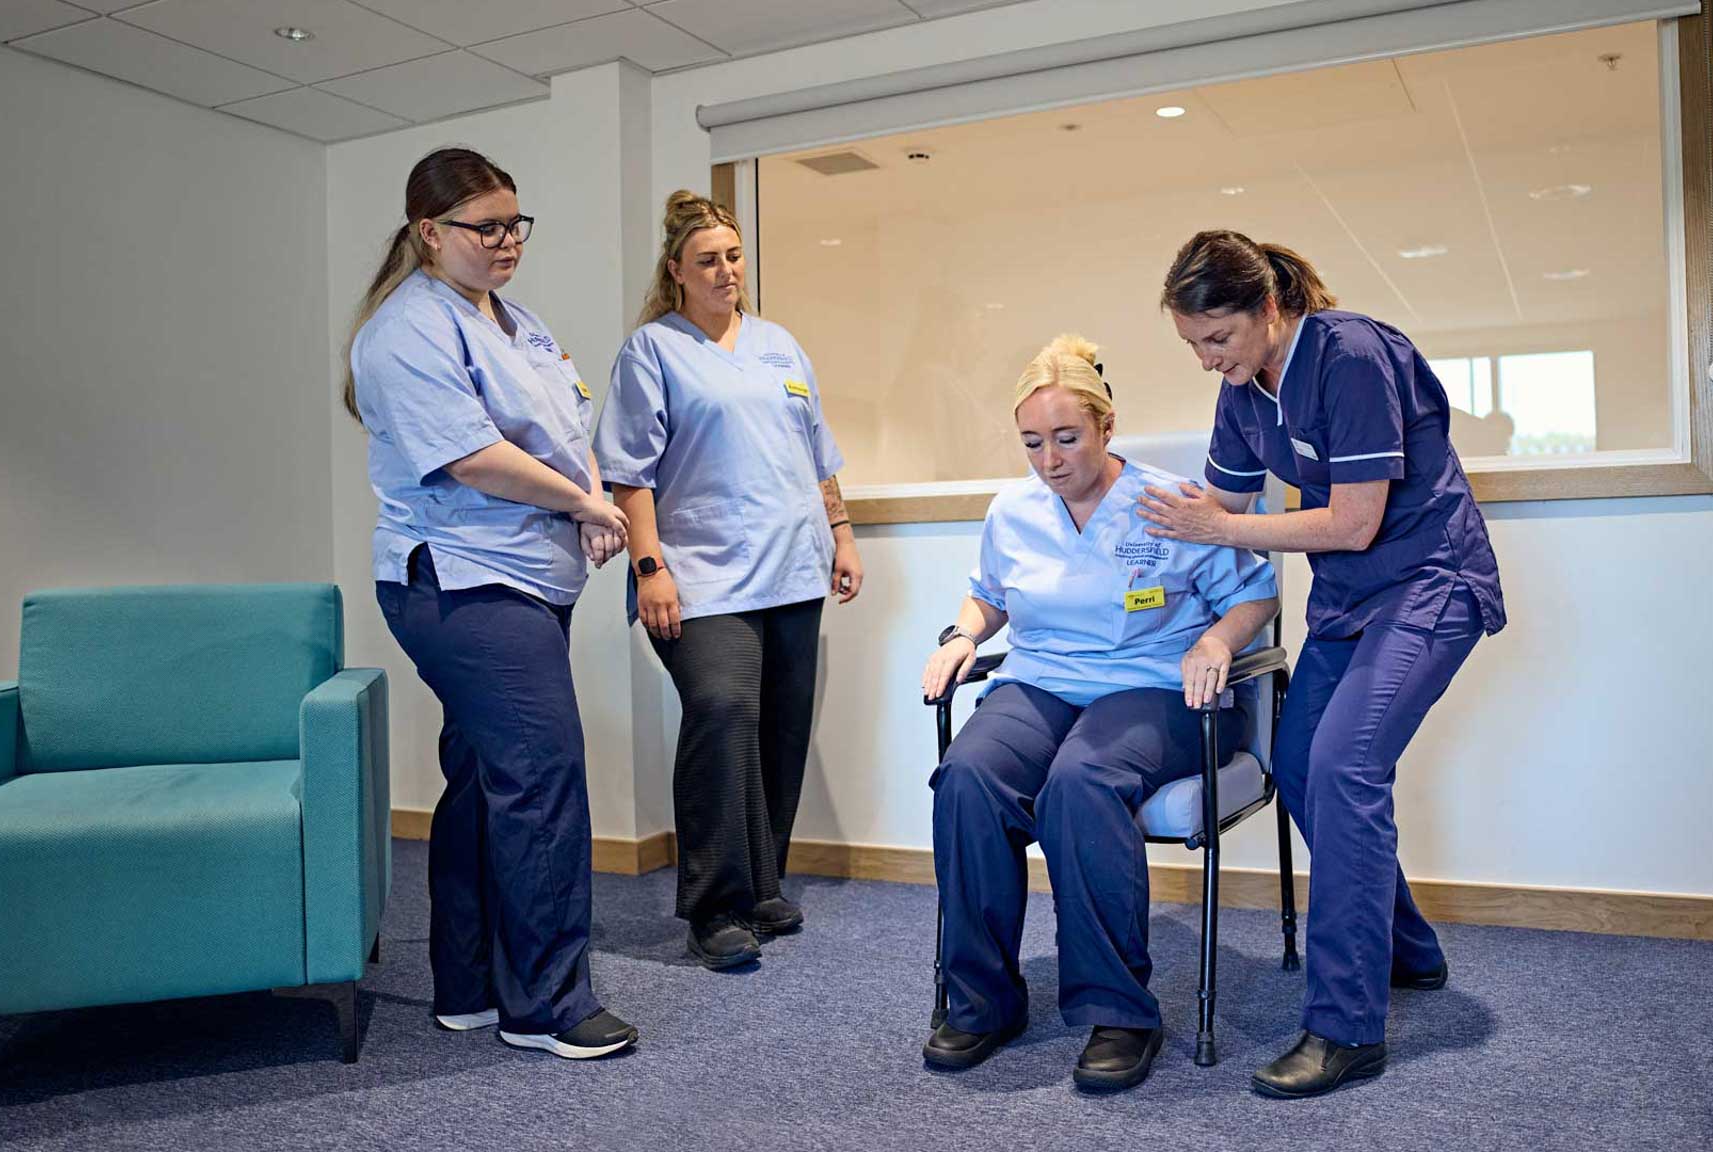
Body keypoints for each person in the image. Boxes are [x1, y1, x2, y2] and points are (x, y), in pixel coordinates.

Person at [1141, 230, 1506, 1098]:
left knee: (1345, 766)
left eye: (1218, 338)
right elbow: (1217, 506)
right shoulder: (1246, 386)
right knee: (1299, 766)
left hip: (1427, 582)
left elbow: (1351, 523)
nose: (1206, 361)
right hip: (1348, 602)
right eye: (1192, 346)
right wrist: (1120, 533)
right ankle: (1405, 950)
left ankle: (1345, 1028)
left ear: (1269, 308)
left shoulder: (1350, 353)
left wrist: (1219, 528)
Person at [920, 335, 1278, 1092]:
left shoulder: (1167, 501)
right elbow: (989, 594)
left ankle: (1121, 1011)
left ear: (1107, 427)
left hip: (1157, 689)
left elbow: (1255, 593)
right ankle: (983, 1000)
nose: (1050, 459)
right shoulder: (1013, 509)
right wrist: (963, 635)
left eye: (1066, 438)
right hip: (1043, 683)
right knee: (966, 779)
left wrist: (1215, 640)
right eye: (1032, 443)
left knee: (1081, 782)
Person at [345, 147, 638, 1059]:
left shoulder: (518, 320)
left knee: (483, 779)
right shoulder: (404, 332)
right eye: (486, 227)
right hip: (460, 582)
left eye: (516, 223)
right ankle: (548, 1005)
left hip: (526, 575)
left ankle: (468, 985)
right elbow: (471, 456)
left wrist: (588, 499)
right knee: (542, 776)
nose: (507, 241)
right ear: (430, 233)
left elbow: (564, 426)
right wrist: (583, 502)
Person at [594, 191, 862, 971]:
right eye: (707, 259)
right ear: (676, 270)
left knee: (780, 730)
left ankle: (761, 884)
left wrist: (841, 535)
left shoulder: (780, 346)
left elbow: (818, 456)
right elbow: (629, 475)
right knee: (720, 711)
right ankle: (714, 906)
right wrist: (650, 567)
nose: (725, 271)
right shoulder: (653, 351)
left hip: (793, 569)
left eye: (734, 256)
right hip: (700, 577)